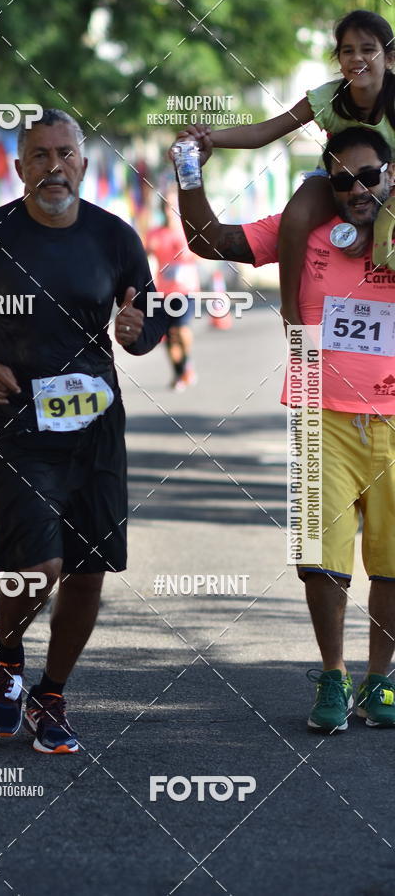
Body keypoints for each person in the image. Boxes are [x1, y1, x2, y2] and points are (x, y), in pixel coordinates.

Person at [0, 108, 167, 754]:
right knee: (39, 564)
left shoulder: (114, 236)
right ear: (19, 166)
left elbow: (153, 310)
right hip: (20, 425)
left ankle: (51, 693)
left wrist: (142, 331)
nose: (53, 166)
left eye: (65, 154)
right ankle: (6, 654)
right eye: (39, 155)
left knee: (87, 572)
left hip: (96, 428)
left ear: (83, 165)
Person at [173, 123, 395, 733]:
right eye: (343, 178)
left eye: (369, 177)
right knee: (319, 560)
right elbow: (206, 238)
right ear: (327, 180)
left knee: (393, 563)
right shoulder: (304, 230)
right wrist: (190, 169)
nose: (357, 189)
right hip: (319, 413)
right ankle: (333, 674)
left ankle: (382, 680)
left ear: (389, 177)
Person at [184, 10, 395, 330]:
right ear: (337, 59)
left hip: (389, 181)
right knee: (296, 214)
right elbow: (262, 133)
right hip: (338, 181)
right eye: (347, 50)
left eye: (368, 49)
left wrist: (373, 223)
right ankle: (290, 309)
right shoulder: (328, 97)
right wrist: (207, 139)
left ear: (389, 57)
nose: (357, 58)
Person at [146, 199, 199, 390]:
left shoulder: (188, 231)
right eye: (166, 209)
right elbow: (144, 256)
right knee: (168, 335)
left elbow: (203, 255)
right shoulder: (154, 234)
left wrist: (189, 254)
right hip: (164, 292)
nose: (169, 213)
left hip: (186, 290)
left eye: (172, 209)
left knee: (182, 329)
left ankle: (187, 362)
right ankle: (178, 372)